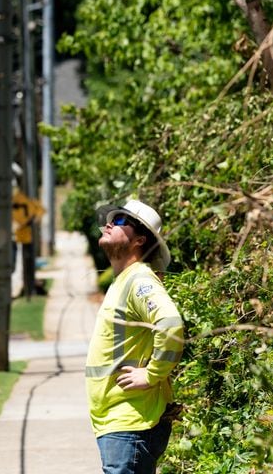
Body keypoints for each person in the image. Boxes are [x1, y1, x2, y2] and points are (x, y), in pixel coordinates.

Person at [86, 199, 184, 474]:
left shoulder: (139, 280)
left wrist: (152, 374)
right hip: (120, 421)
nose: (109, 223)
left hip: (130, 421)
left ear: (139, 239)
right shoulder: (124, 280)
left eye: (120, 221)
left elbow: (171, 323)